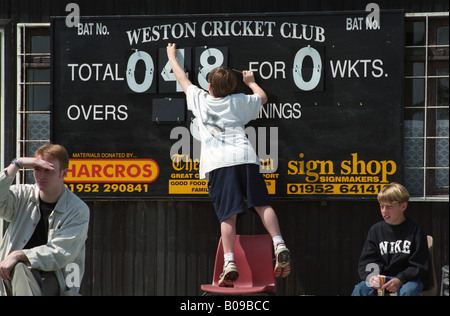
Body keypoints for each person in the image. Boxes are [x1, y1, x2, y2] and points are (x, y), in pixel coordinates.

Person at [167, 43, 291, 287]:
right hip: (245, 157)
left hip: (219, 164)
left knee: (228, 215)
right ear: (231, 87)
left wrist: (171, 55)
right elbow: (262, 98)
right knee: (262, 204)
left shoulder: (199, 97)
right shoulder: (239, 101)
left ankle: (230, 262)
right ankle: (279, 244)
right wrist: (251, 81)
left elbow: (181, 77)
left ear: (209, 87)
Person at [0, 144, 90, 296]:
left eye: (48, 170)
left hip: (56, 279)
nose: (41, 176)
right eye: (36, 169)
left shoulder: (77, 210)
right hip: (13, 275)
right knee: (20, 268)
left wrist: (19, 255)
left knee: (20, 266)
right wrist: (17, 164)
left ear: (64, 173)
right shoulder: (22, 195)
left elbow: (60, 252)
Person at [351, 182, 429, 296]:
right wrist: (372, 277)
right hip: (382, 279)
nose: (384, 211)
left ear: (403, 206)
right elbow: (367, 261)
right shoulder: (376, 230)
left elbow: (419, 264)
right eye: (381, 206)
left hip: (408, 280)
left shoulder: (416, 230)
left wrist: (400, 279)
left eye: (389, 207)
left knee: (410, 291)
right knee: (360, 289)